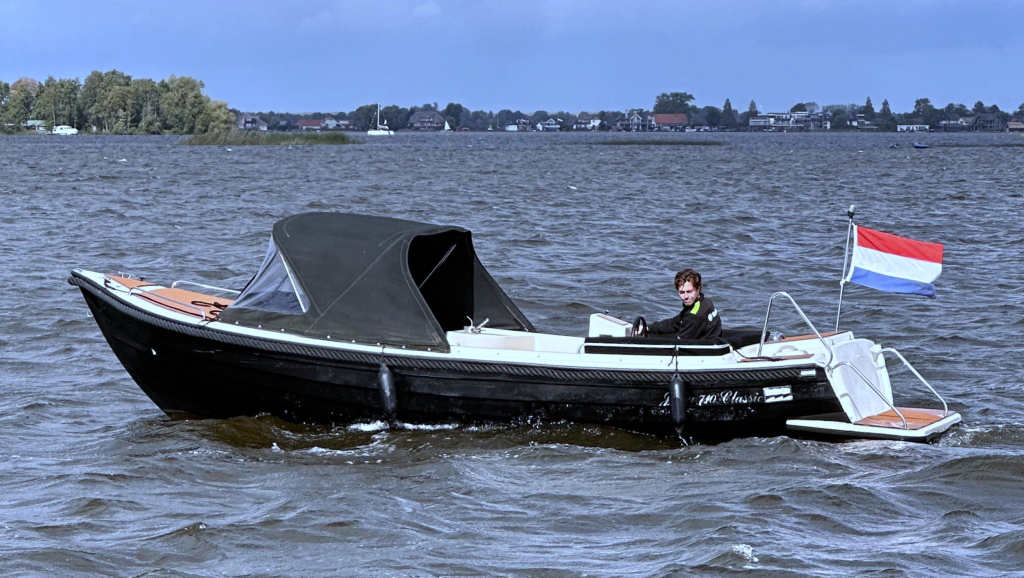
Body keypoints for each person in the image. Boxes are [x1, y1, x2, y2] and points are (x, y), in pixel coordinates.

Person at [646, 269, 722, 339]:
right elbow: (674, 323)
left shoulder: (694, 316)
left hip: (703, 346)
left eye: (689, 291)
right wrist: (648, 328)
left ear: (698, 289)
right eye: (682, 292)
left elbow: (680, 343)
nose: (686, 296)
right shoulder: (706, 302)